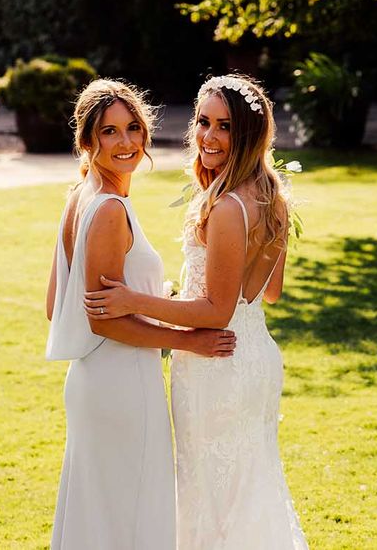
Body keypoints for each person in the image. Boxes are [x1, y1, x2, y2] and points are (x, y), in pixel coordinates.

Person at [85, 74, 309, 549]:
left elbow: (215, 311)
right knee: (249, 489)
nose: (207, 136)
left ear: (247, 134)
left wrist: (133, 300)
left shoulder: (229, 206)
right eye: (203, 122)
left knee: (211, 496)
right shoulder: (274, 196)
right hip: (256, 358)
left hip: (217, 366)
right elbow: (271, 294)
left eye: (224, 127)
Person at [45, 78, 236, 550]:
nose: (126, 142)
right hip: (124, 385)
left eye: (133, 128)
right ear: (88, 140)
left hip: (91, 381)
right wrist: (189, 339)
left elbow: (57, 305)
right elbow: (103, 318)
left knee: (100, 521)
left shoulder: (80, 196)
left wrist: (146, 296)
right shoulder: (109, 209)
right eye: (110, 132)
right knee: (130, 522)